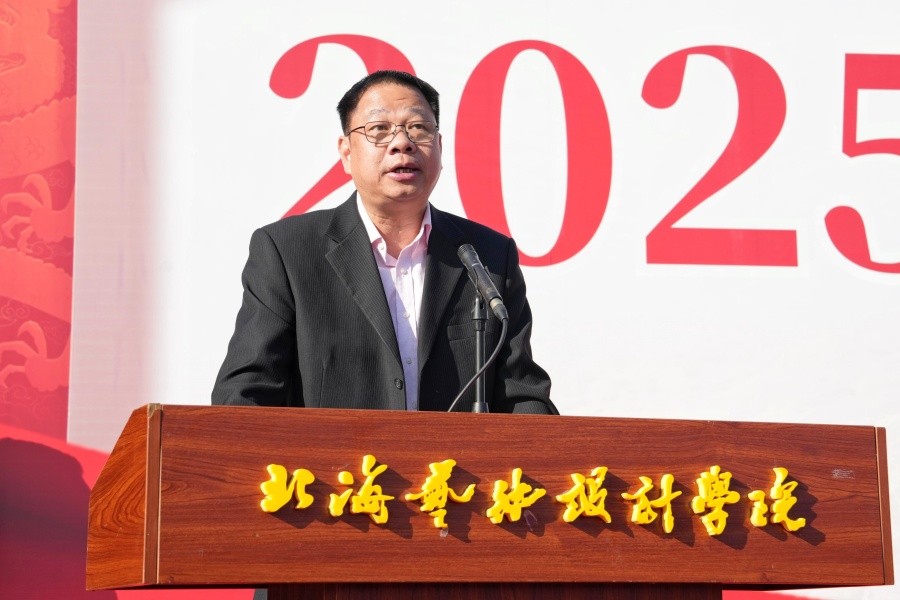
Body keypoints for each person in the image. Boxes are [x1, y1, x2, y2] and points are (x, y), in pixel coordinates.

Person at [212, 70, 556, 414]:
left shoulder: (488, 256)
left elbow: (522, 397)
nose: (402, 143)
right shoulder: (288, 252)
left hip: (455, 453)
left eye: (418, 128)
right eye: (379, 129)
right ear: (347, 153)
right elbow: (244, 396)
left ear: (439, 147)